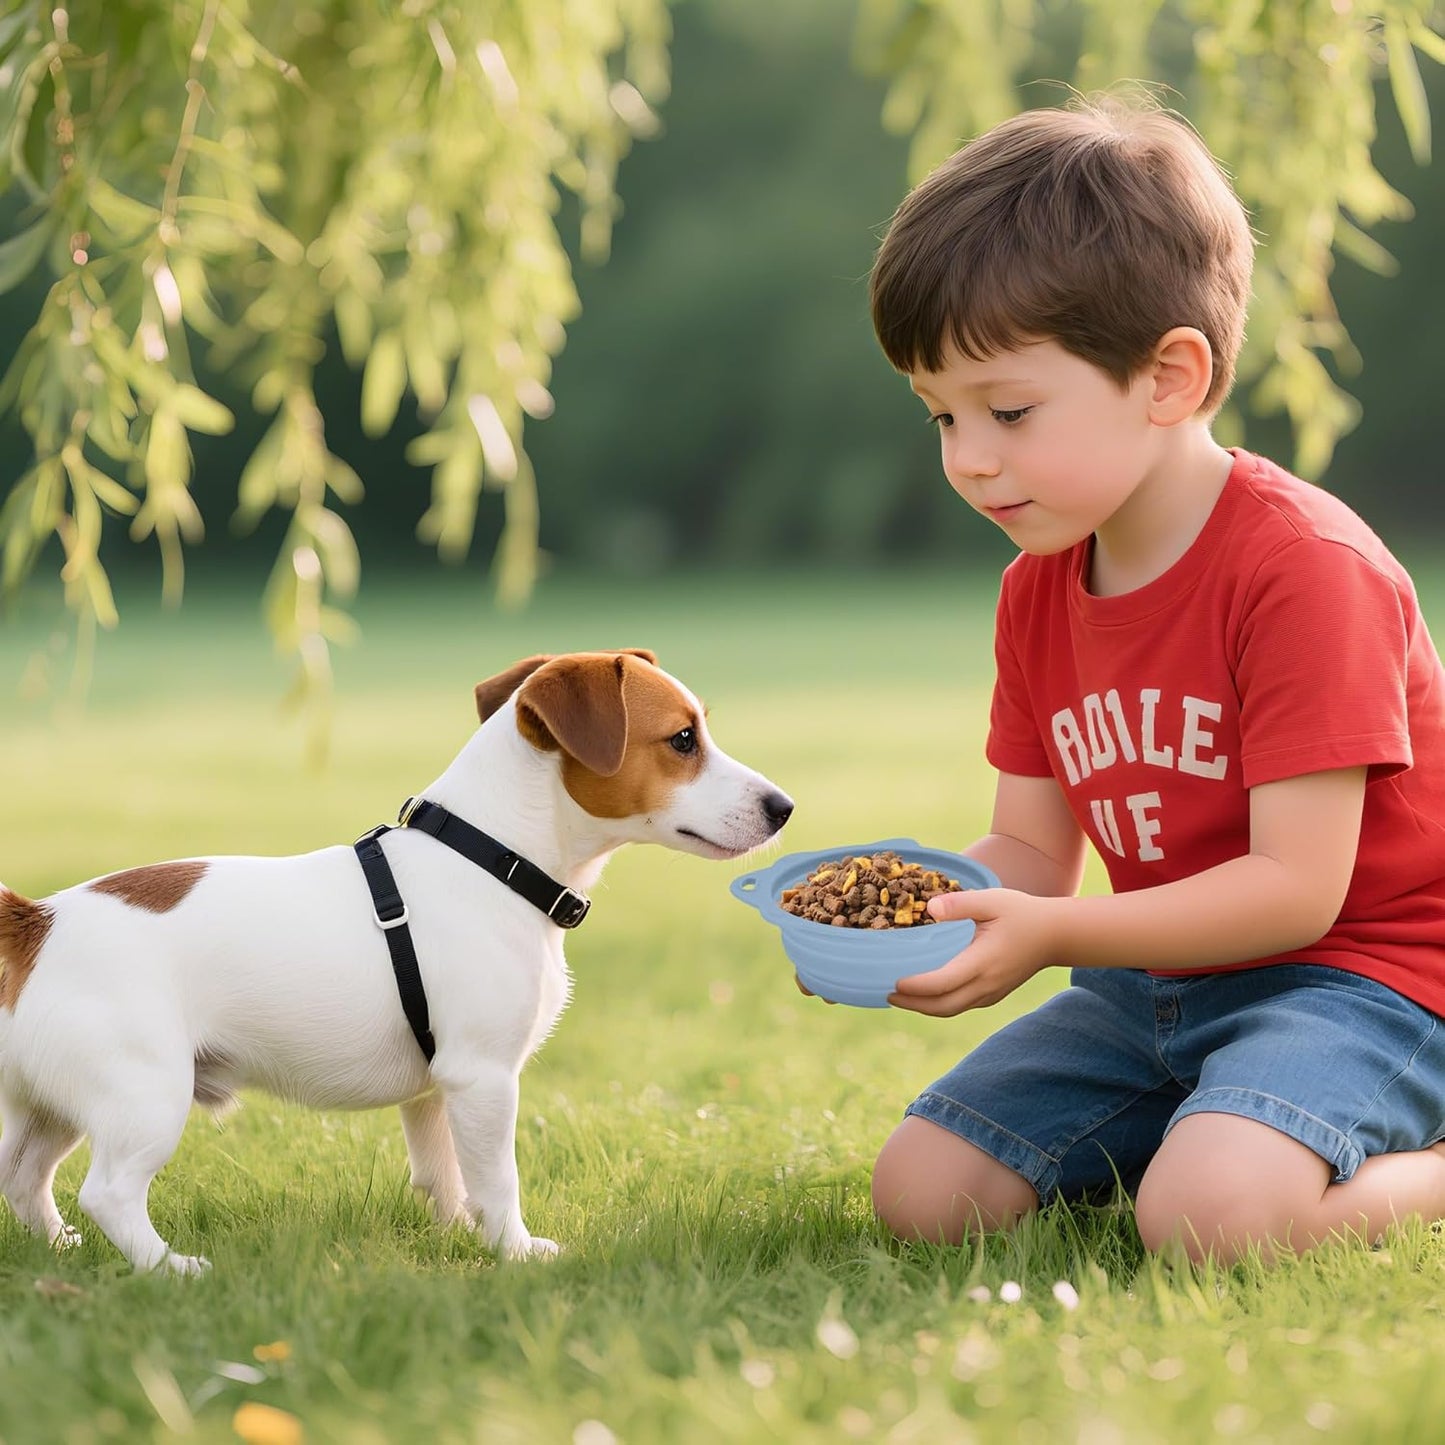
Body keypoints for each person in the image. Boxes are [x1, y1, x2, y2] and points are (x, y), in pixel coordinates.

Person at [859, 95, 1445, 1264]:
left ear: (1168, 377)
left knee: (1204, 1217)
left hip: (1361, 983)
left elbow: (1294, 891)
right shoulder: (1035, 589)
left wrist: (1050, 934)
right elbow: (1030, 853)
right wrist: (916, 910)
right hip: (1150, 986)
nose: (968, 458)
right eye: (940, 416)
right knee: (924, 1192)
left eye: (1006, 410)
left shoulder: (1300, 570)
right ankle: (1224, 1119)